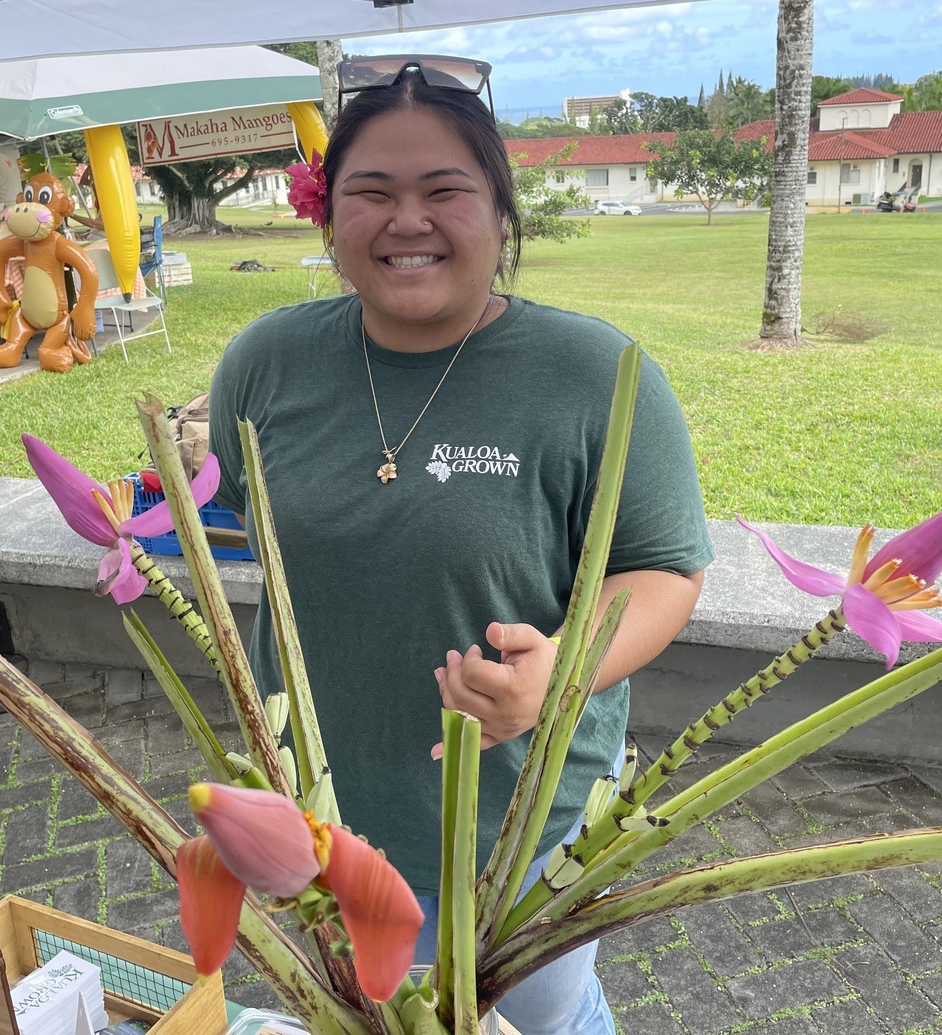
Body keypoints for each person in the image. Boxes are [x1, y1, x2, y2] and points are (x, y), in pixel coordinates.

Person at [207, 56, 712, 1035]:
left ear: (501, 214)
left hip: (521, 827)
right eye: (372, 193)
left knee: (539, 1019)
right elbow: (238, 525)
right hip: (314, 817)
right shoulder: (265, 364)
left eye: (445, 191)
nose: (408, 221)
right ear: (327, 215)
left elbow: (662, 567)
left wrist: (560, 671)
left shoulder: (599, 374)